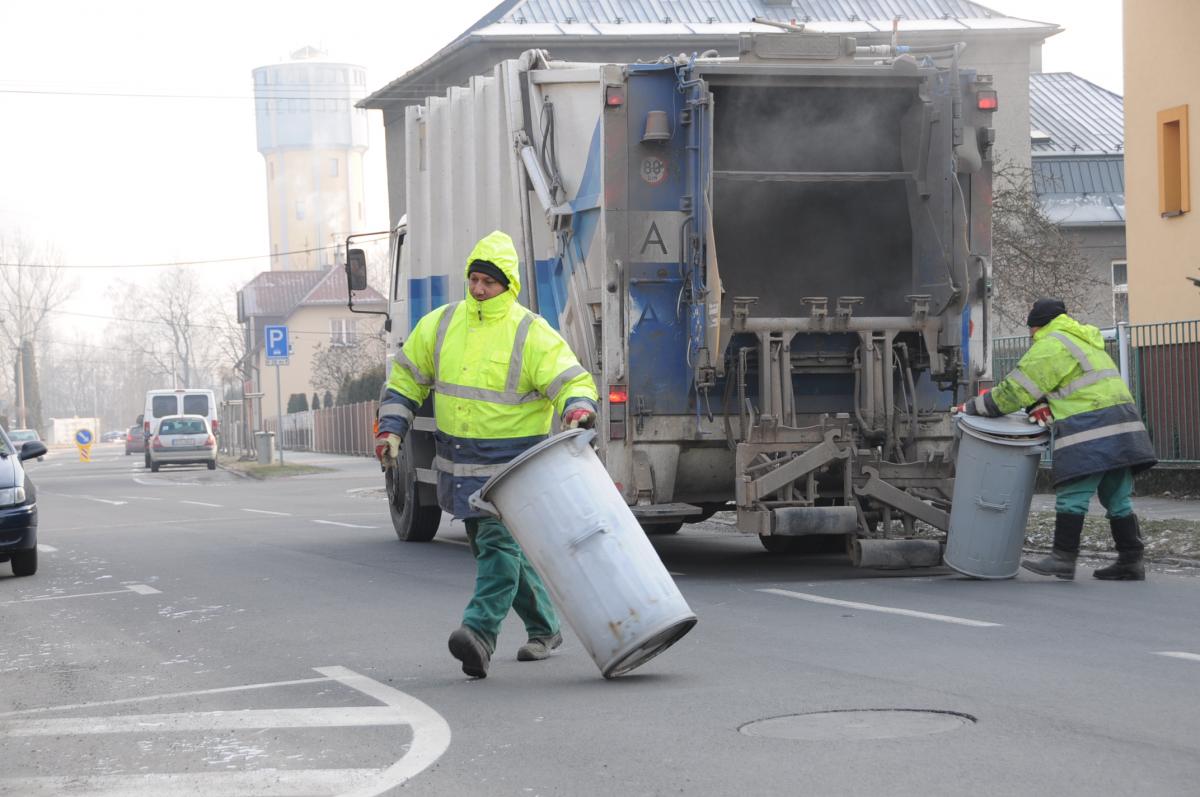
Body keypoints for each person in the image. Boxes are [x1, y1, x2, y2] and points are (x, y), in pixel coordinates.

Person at [374, 231, 599, 678]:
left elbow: (573, 380)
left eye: (489, 282)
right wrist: (391, 429)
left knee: (497, 550)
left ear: (507, 286)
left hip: (514, 470)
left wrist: (577, 407)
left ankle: (478, 634)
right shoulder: (440, 325)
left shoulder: (529, 331)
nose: (478, 288)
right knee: (495, 550)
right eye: (474, 278)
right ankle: (546, 628)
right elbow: (404, 381)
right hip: (460, 468)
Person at [957, 298, 1156, 581]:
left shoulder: (1051, 344)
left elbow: (1014, 391)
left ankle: (1063, 558)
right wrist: (1042, 403)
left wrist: (975, 407)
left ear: (1037, 327)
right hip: (1123, 424)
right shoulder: (1083, 339)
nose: (1031, 337)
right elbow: (1073, 387)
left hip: (1091, 427)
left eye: (1031, 332)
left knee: (1072, 495)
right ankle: (1131, 560)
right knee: (1117, 496)